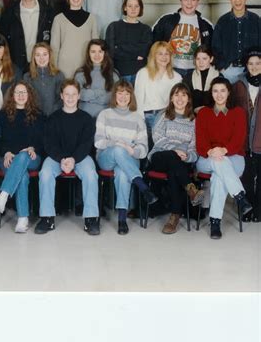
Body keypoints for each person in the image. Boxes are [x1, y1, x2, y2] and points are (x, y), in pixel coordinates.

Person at [35, 79, 100, 235]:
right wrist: (62, 159)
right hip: (57, 158)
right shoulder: (53, 118)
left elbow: (87, 144)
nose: (70, 98)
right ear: (62, 96)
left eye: (74, 94)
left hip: (80, 157)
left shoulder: (86, 119)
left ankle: (90, 219)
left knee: (91, 175)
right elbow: (49, 144)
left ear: (79, 96)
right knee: (44, 174)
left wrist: (73, 159)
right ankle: (47, 218)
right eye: (67, 94)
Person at [95, 80, 156, 234]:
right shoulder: (104, 115)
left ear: (131, 96)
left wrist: (132, 150)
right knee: (117, 150)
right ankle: (142, 187)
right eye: (119, 92)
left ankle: (122, 219)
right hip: (106, 158)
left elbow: (143, 149)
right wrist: (118, 144)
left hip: (129, 159)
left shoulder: (138, 119)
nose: (123, 96)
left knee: (122, 173)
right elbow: (98, 142)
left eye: (127, 93)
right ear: (114, 95)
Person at [195, 77, 251, 239]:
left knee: (219, 177)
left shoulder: (238, 113)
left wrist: (224, 150)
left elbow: (239, 139)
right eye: (215, 91)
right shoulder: (204, 113)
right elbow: (200, 142)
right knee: (220, 163)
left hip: (234, 158)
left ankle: (215, 222)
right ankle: (240, 196)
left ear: (229, 92)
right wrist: (212, 151)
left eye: (222, 90)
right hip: (207, 158)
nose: (219, 95)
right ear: (211, 93)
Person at [147, 82, 204, 234]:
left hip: (181, 161)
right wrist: (175, 151)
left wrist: (187, 156)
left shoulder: (193, 120)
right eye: (176, 94)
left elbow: (194, 147)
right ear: (171, 98)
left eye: (183, 94)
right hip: (160, 156)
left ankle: (174, 217)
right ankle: (190, 188)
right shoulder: (163, 115)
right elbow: (157, 137)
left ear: (188, 99)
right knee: (173, 159)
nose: (180, 98)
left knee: (174, 171)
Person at [0, 82, 45, 233]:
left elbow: (43, 140)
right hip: (7, 158)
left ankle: (3, 194)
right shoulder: (1, 116)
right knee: (22, 175)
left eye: (24, 92)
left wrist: (33, 147)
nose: (21, 96)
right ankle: (23, 219)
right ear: (12, 96)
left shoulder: (39, 115)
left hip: (32, 157)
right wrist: (6, 151)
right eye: (17, 92)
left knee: (23, 156)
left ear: (29, 95)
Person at [152, 0, 213, 79]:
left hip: (195, 71)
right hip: (171, 69)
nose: (189, 3)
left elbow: (211, 50)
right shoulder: (166, 20)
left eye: (193, 0)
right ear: (180, 0)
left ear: (198, 2)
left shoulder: (206, 24)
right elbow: (153, 45)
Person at [0, 0, 54, 73]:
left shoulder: (47, 11)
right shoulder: (10, 12)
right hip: (16, 62)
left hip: (40, 62)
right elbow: (2, 37)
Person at [134, 41, 182, 146]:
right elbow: (138, 99)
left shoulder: (177, 77)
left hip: (167, 117)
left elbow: (178, 102)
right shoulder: (143, 73)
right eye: (160, 53)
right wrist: (140, 122)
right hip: (147, 116)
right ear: (153, 56)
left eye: (167, 53)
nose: (164, 57)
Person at [232, 50, 261, 221]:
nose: (254, 67)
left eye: (258, 63)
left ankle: (259, 210)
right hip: (244, 140)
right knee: (247, 177)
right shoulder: (239, 85)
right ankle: (247, 209)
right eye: (251, 64)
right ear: (246, 65)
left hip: (259, 139)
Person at [212, 0, 261, 84]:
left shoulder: (256, 20)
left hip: (251, 70)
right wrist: (222, 67)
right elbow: (215, 48)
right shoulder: (222, 22)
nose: (237, 0)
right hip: (228, 71)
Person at [50, 0, 99, 80]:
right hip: (64, 67)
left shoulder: (92, 19)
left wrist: (95, 67)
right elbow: (54, 47)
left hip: (86, 66)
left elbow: (95, 47)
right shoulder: (58, 19)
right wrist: (54, 69)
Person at [106, 0, 152, 83]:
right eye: (130, 6)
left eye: (136, 6)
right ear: (125, 7)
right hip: (118, 73)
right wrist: (135, 55)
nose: (133, 9)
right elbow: (111, 52)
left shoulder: (146, 29)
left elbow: (144, 51)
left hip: (139, 74)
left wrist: (121, 48)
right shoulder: (113, 27)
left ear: (140, 8)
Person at [74, 39, 119, 120]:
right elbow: (79, 95)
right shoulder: (80, 73)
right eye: (93, 52)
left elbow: (114, 97)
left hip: (106, 118)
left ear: (105, 53)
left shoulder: (113, 74)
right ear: (88, 53)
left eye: (100, 51)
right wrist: (101, 92)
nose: (97, 55)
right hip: (84, 117)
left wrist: (90, 96)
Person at [23, 42, 64, 116]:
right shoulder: (27, 77)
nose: (41, 58)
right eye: (38, 55)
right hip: (35, 117)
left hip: (54, 116)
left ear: (49, 56)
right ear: (33, 57)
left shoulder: (59, 75)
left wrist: (53, 111)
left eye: (45, 54)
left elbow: (61, 98)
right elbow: (26, 100)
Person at [187, 44, 219, 113]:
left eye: (204, 59)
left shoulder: (219, 76)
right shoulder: (188, 77)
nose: (201, 62)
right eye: (198, 59)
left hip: (214, 114)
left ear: (211, 59)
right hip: (192, 116)